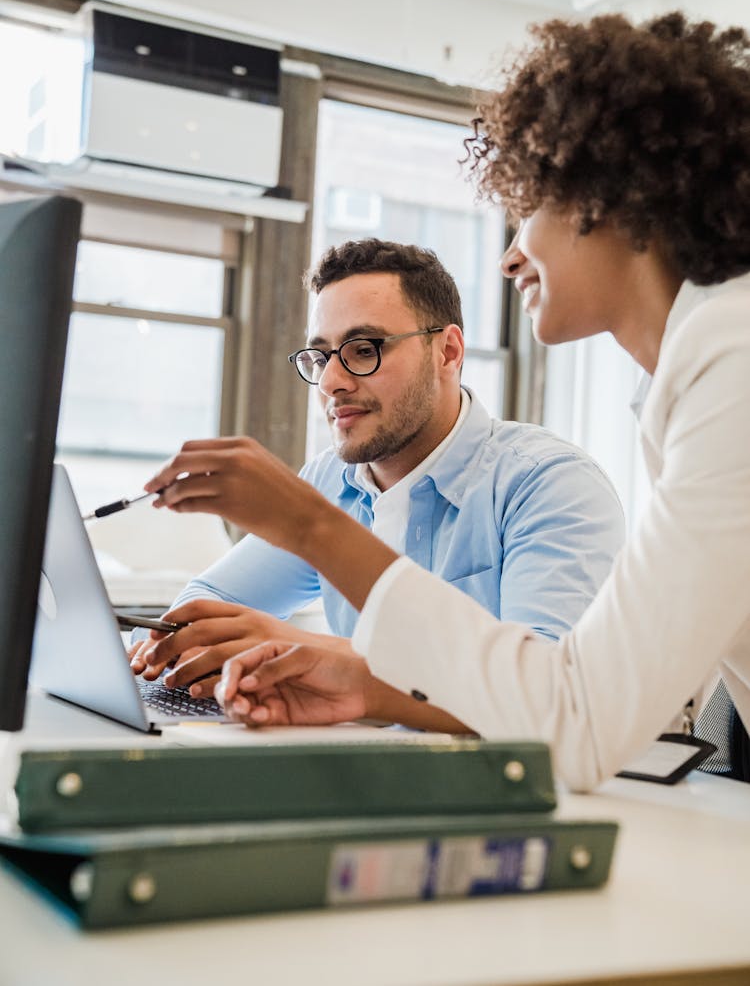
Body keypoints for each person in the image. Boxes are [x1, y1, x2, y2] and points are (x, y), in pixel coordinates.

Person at [145, 11, 750, 790]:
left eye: (529, 203)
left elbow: (578, 720)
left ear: (617, 197)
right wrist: (359, 681)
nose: (509, 255)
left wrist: (306, 526)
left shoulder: (728, 355)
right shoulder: (690, 368)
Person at [133, 238, 623, 733]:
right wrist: (167, 648)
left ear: (448, 352)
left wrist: (311, 651)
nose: (331, 382)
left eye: (364, 350)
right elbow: (210, 603)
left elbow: (548, 698)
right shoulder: (330, 481)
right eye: (321, 358)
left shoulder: (548, 484)